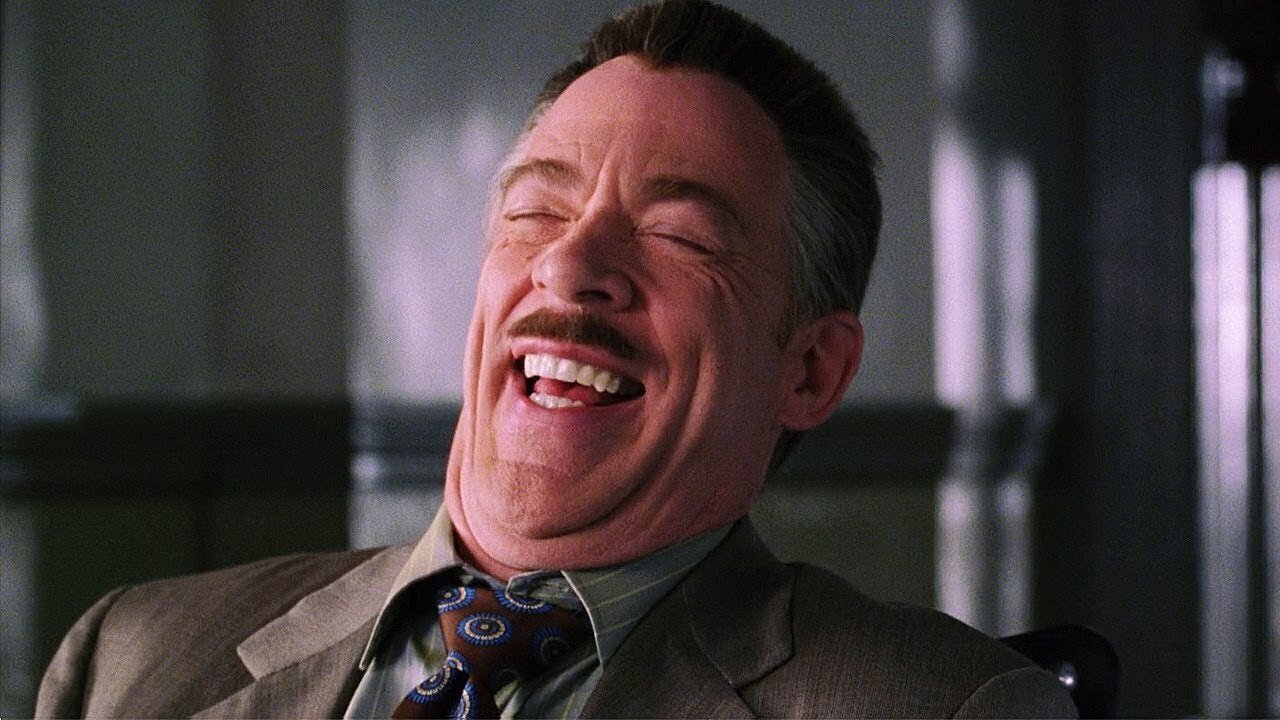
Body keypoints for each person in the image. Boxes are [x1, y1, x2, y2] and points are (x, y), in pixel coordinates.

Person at [36, 1, 1077, 717]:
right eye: (536, 211)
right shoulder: (127, 659)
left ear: (808, 372)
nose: (570, 266)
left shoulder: (946, 708)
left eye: (679, 234)